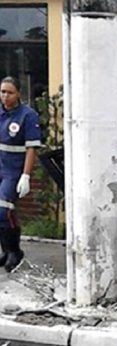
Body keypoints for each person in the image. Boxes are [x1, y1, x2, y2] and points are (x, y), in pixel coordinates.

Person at [0, 76, 41, 272]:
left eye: (9, 92)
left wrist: (26, 175)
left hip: (13, 171)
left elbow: (31, 149)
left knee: (4, 210)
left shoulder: (28, 115)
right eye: (2, 92)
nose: (5, 96)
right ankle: (6, 251)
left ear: (18, 94)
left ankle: (15, 251)